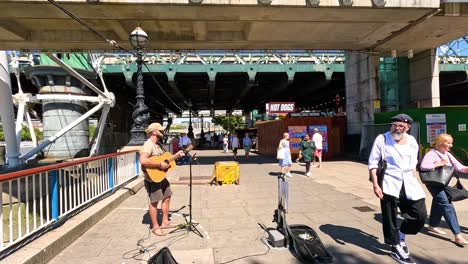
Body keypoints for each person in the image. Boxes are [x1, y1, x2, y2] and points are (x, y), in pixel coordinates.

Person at [368, 114, 427, 264]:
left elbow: (413, 163)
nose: (397, 128)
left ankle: (401, 234)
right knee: (390, 217)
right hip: (389, 182)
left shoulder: (412, 141)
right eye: (395, 125)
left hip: (409, 181)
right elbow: (373, 162)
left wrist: (417, 183)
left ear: (408, 127)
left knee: (420, 214)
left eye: (401, 126)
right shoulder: (382, 139)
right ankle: (395, 247)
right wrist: (375, 184)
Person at [420, 133, 468, 246]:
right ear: (441, 143)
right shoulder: (432, 153)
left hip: (444, 183)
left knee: (439, 202)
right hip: (434, 183)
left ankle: (432, 226)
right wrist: (439, 164)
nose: (451, 145)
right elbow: (423, 166)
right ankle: (458, 235)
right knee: (447, 205)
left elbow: (459, 167)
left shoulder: (447, 153)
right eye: (449, 143)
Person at [139, 123, 185, 236]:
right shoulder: (148, 144)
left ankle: (165, 222)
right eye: (161, 130)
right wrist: (159, 164)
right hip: (152, 179)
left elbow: (165, 159)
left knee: (167, 196)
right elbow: (143, 160)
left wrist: (176, 156)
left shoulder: (158, 144)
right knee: (154, 202)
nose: (163, 132)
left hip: (161, 177)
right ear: (154, 131)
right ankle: (155, 227)